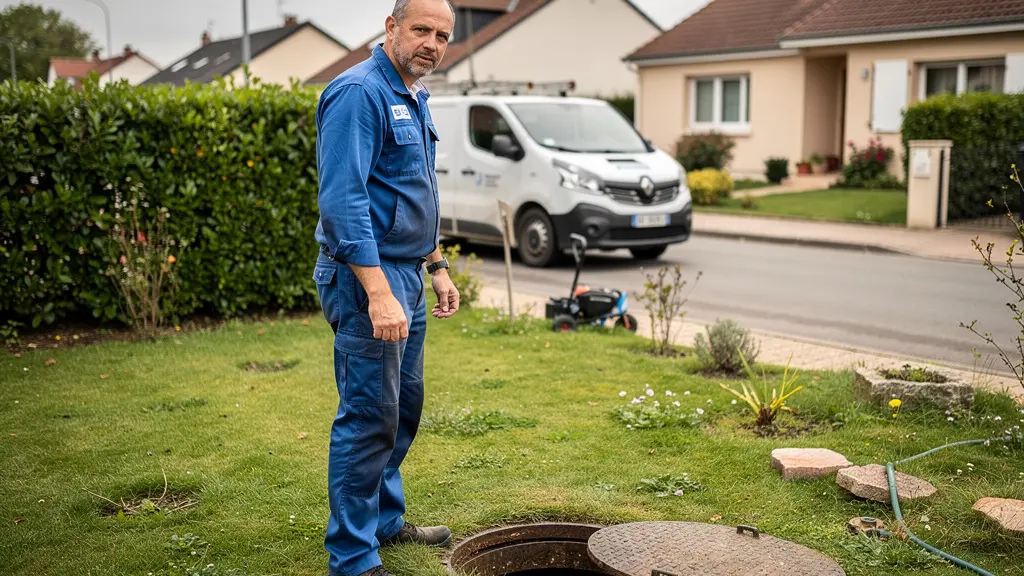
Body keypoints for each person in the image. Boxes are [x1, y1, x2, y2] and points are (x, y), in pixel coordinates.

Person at [311, 1, 459, 575]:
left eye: (442, 35)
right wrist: (377, 292)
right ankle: (353, 557)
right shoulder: (359, 93)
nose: (432, 43)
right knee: (369, 415)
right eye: (421, 29)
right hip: (366, 276)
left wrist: (436, 264)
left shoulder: (413, 94)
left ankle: (382, 521)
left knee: (402, 408)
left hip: (408, 273)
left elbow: (416, 190)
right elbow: (343, 201)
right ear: (391, 27)